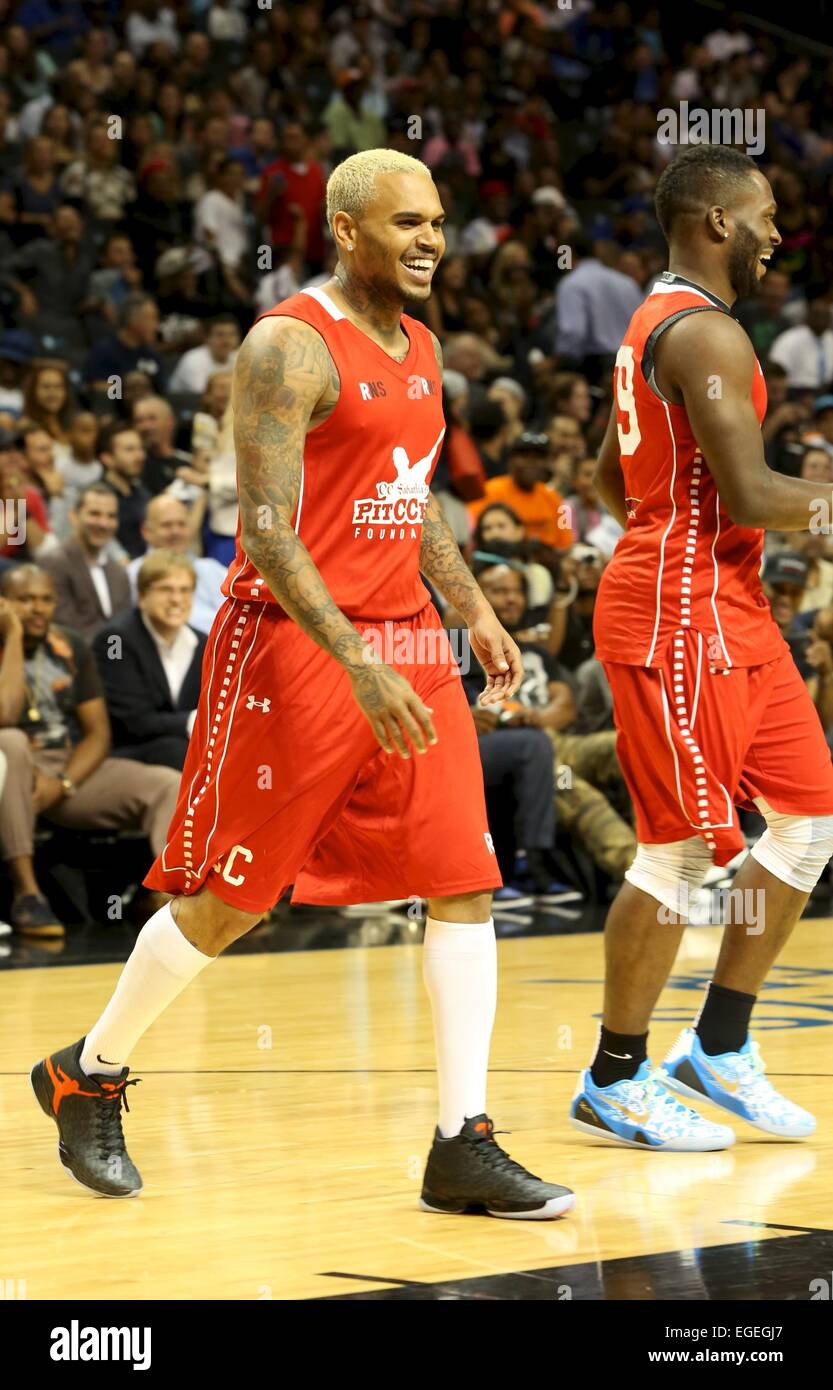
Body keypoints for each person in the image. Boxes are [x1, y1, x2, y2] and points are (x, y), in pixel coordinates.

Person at [32, 148, 574, 1220]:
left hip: (406, 639)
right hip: (293, 642)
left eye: (436, 222)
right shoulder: (288, 345)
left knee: (461, 876)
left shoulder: (420, 348)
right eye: (405, 223)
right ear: (343, 229)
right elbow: (269, 536)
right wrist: (358, 660)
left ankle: (459, 1139)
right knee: (233, 902)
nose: (429, 241)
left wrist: (465, 607)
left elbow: (407, 497)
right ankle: (86, 1070)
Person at [575, 144, 828, 1152]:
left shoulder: (656, 320)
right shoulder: (706, 335)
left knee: (807, 823)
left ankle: (715, 1049)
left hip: (724, 605)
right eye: (763, 214)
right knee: (677, 854)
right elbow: (751, 495)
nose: (775, 231)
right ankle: (613, 1075)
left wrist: (677, 538)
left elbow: (608, 476)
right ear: (715, 222)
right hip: (679, 616)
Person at [0, 565, 180, 937]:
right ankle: (27, 895)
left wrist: (63, 782)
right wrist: (13, 636)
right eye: (25, 600)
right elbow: (6, 714)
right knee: (11, 743)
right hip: (11, 768)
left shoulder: (70, 645)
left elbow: (97, 734)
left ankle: (169, 901)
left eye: (46, 600)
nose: (37, 609)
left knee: (166, 784)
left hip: (66, 768)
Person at [93, 550, 206, 769]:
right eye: (166, 589)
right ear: (143, 597)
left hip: (182, 746)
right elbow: (134, 721)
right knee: (177, 750)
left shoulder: (204, 643)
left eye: (185, 590)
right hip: (127, 753)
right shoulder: (114, 640)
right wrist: (194, 721)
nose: (177, 600)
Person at [39, 481, 132, 642]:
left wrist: (115, 660)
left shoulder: (119, 573)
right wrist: (106, 658)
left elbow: (121, 631)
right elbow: (64, 629)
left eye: (111, 516)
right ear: (74, 516)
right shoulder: (53, 564)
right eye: (95, 514)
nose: (103, 523)